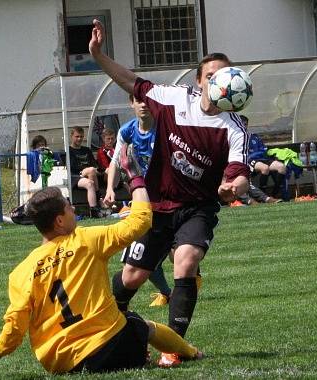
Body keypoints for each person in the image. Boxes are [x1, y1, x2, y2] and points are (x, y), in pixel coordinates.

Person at [89, 19, 249, 367]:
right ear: (199, 81)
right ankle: (104, 328)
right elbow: (131, 81)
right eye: (212, 76)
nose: (219, 81)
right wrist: (99, 55)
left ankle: (173, 348)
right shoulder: (175, 99)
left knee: (186, 262)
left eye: (225, 75)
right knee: (133, 276)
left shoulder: (233, 126)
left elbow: (240, 177)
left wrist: (231, 187)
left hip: (198, 208)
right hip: (157, 206)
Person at [0, 145, 203, 374]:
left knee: (127, 324)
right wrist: (134, 176)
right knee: (138, 324)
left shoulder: (21, 272)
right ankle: (191, 352)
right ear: (59, 221)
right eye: (69, 207)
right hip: (111, 348)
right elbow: (141, 220)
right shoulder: (86, 239)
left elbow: (16, 324)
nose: (73, 210)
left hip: (60, 361)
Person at [104, 94, 171, 307]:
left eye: (147, 100)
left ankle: (185, 283)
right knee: (138, 254)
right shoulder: (127, 131)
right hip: (144, 199)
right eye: (138, 100)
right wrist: (109, 189)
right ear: (131, 103)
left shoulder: (164, 129)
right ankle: (167, 292)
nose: (143, 104)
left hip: (169, 199)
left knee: (175, 253)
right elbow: (115, 162)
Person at [240, 115, 287, 199]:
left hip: (262, 158)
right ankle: (264, 196)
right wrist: (253, 155)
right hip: (249, 160)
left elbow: (263, 149)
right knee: (265, 168)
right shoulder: (238, 138)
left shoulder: (254, 136)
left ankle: (274, 194)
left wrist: (258, 153)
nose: (244, 125)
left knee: (281, 167)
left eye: (245, 124)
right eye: (242, 124)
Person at [69, 126, 103, 218]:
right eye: (77, 136)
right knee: (90, 170)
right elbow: (71, 168)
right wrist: (88, 170)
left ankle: (94, 211)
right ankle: (100, 198)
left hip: (89, 174)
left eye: (81, 136)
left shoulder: (87, 150)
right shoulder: (68, 151)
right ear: (71, 136)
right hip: (75, 176)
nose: (79, 139)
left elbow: (94, 165)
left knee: (90, 183)